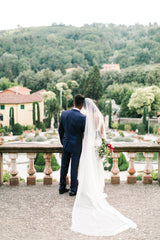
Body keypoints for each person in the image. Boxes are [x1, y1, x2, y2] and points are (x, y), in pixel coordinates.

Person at [71, 98, 137, 236]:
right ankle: (96, 188)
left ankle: (88, 189)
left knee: (88, 167)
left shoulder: (87, 117)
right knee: (96, 167)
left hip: (89, 145)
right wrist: (103, 146)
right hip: (98, 143)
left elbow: (85, 133)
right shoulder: (100, 116)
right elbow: (102, 133)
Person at [58, 94, 86, 196]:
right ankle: (73, 189)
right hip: (76, 145)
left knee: (64, 166)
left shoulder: (64, 114)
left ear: (74, 103)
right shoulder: (83, 118)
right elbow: (85, 134)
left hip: (66, 143)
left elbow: (60, 130)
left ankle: (62, 187)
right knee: (74, 167)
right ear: (82, 105)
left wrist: (63, 141)